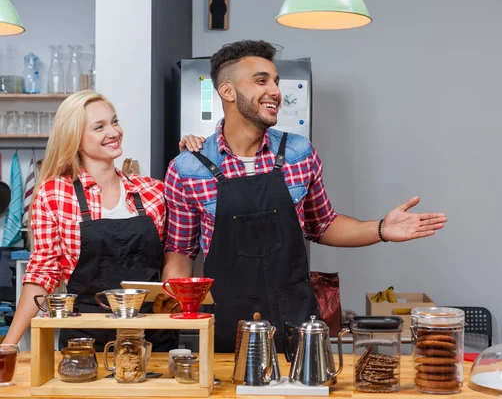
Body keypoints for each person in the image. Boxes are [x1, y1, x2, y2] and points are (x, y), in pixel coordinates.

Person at [162, 40, 448, 353]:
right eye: (261, 81)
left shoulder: (299, 153)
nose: (275, 91)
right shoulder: (188, 168)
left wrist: (381, 229)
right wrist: (172, 330)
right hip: (228, 327)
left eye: (275, 81)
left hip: (299, 322)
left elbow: (323, 225)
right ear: (228, 91)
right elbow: (179, 255)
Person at [4, 90, 204, 351]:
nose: (113, 132)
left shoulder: (153, 191)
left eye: (114, 121)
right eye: (99, 127)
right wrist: (9, 343)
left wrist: (196, 158)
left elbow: (179, 252)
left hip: (152, 335)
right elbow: (42, 273)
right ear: (75, 139)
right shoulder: (54, 194)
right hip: (85, 341)